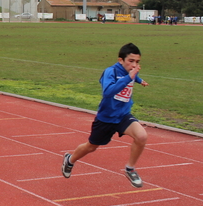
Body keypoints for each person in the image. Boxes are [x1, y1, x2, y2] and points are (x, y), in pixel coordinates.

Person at [62, 43, 150, 188]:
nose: (134, 65)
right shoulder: (111, 72)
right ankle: (70, 160)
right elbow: (108, 92)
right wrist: (129, 77)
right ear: (120, 60)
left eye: (137, 62)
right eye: (131, 61)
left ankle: (130, 168)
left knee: (141, 136)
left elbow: (135, 76)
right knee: (91, 147)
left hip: (123, 115)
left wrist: (140, 81)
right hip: (106, 118)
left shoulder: (132, 72)